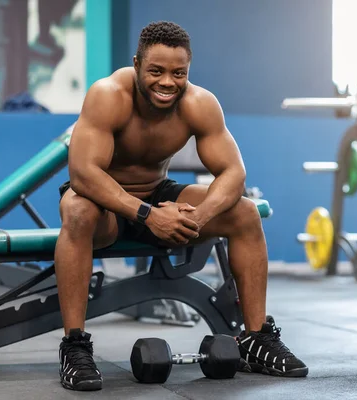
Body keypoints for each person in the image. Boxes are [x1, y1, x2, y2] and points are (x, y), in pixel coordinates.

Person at [55, 20, 308, 391]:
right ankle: (74, 345)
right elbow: (83, 174)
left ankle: (255, 338)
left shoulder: (199, 104)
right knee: (77, 210)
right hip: (103, 203)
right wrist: (147, 215)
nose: (167, 82)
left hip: (157, 193)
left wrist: (196, 217)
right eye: (156, 71)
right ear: (137, 63)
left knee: (244, 213)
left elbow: (233, 172)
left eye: (178, 73)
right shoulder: (108, 95)